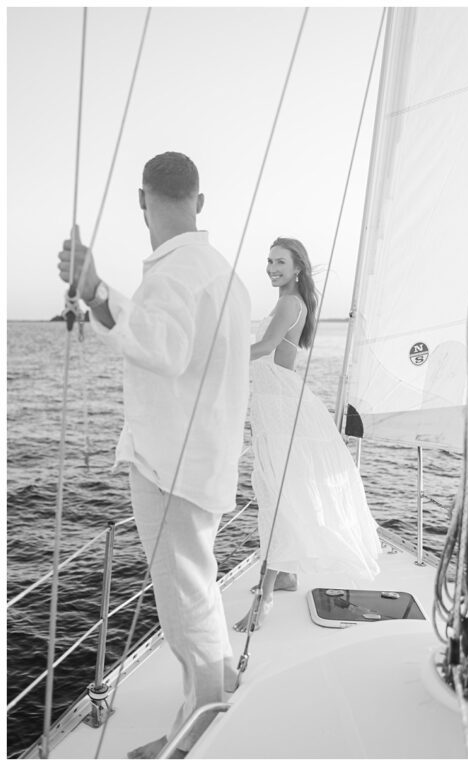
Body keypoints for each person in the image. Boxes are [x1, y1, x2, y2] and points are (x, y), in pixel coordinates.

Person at [57, 151, 250, 758]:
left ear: (143, 201)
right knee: (199, 588)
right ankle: (221, 692)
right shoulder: (225, 274)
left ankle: (195, 734)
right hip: (207, 461)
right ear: (200, 201)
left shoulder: (173, 274)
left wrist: (95, 291)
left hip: (171, 467)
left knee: (183, 600)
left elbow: (162, 346)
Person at [234, 237, 380, 632]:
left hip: (280, 406)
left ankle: (264, 599)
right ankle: (284, 575)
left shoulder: (287, 302)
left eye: (279, 261)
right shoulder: (293, 301)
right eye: (268, 261)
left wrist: (219, 355)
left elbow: (265, 347)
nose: (271, 267)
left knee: (278, 494)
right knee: (277, 490)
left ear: (298, 267)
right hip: (276, 402)